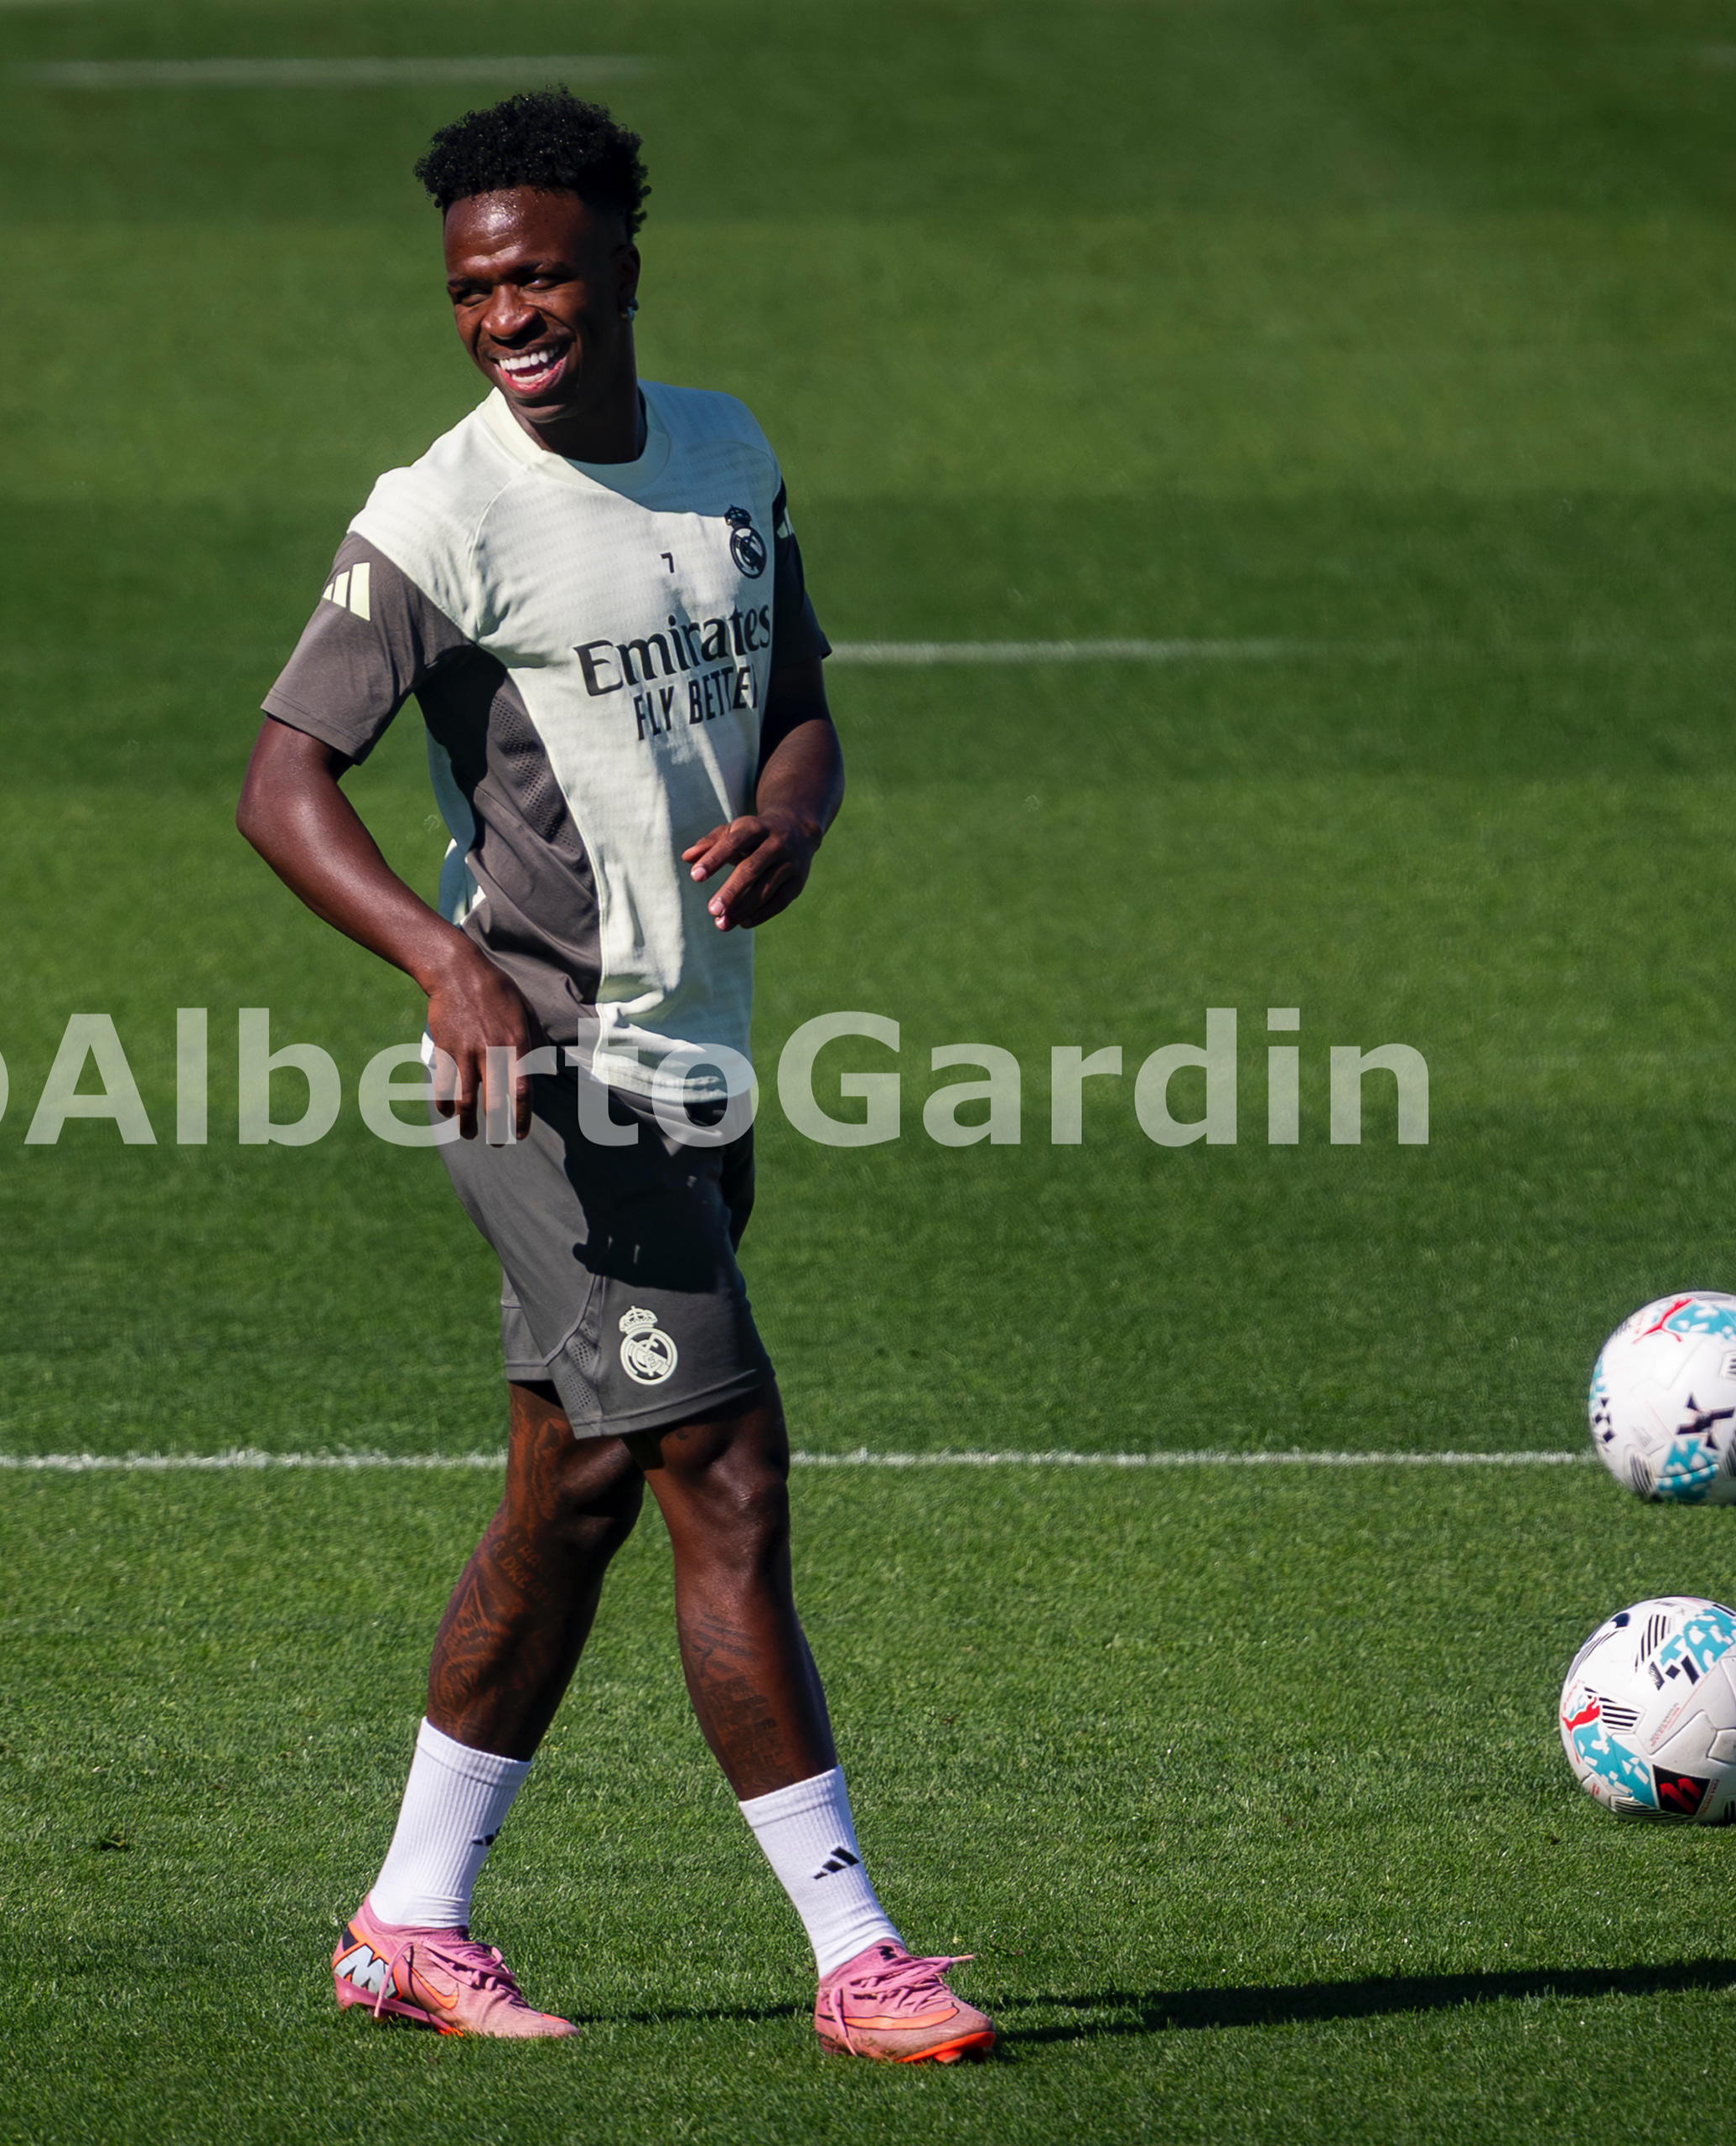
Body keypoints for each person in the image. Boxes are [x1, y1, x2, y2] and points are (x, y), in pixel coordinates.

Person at [233, 90, 993, 2061]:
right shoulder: (441, 514)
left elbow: (800, 699)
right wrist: (442, 959)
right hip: (550, 1084)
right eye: (474, 289)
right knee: (726, 1470)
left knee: (570, 1492)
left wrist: (794, 813)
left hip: (697, 1055)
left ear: (624, 267)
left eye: (540, 275)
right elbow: (280, 782)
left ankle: (407, 1918)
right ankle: (857, 1950)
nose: (506, 315)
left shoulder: (726, 449)